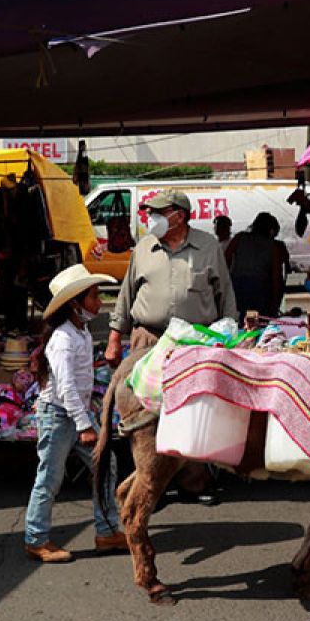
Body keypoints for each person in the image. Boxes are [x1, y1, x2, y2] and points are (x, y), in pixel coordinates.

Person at [104, 190, 237, 505]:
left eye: (159, 212)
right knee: (144, 414)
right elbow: (125, 294)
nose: (153, 219)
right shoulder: (144, 248)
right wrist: (113, 336)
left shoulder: (208, 248)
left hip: (195, 341)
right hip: (148, 339)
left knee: (194, 410)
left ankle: (195, 481)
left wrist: (231, 333)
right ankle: (150, 482)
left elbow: (226, 295)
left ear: (180, 215)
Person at [24, 264, 127, 563]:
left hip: (74, 412)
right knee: (49, 478)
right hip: (60, 415)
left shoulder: (78, 333)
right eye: (93, 296)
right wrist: (84, 424)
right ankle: (35, 538)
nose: (98, 302)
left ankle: (107, 531)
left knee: (105, 465)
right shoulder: (63, 338)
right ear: (74, 302)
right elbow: (66, 387)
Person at [225, 212, 289, 319]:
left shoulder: (239, 238)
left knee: (239, 323)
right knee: (261, 323)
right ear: (271, 230)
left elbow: (224, 260)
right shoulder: (273, 247)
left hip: (238, 287)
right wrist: (274, 304)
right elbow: (276, 277)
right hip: (261, 290)